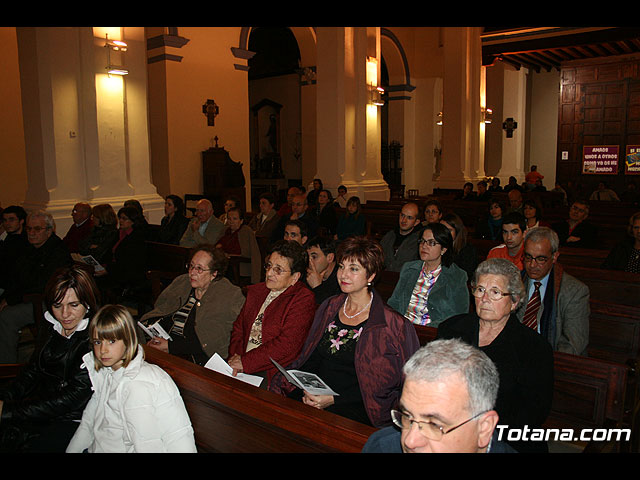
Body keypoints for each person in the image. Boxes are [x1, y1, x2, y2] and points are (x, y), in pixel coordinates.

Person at [270, 236, 420, 427]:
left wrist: (333, 399)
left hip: (360, 404)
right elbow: (313, 356)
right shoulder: (330, 306)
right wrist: (305, 387)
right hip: (319, 393)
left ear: (371, 276)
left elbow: (385, 384)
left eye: (354, 269)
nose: (343, 275)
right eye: (341, 266)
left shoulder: (392, 324)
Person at [437, 258, 554, 453]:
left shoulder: (534, 347)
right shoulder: (450, 329)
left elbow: (532, 414)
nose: (484, 299)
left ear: (514, 301)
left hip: (504, 440)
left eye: (495, 293)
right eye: (480, 290)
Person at [66, 304, 197, 453]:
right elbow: (89, 423)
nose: (103, 350)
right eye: (97, 342)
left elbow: (161, 438)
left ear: (128, 340)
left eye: (112, 341)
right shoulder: (106, 373)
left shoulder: (142, 382)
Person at [0, 264, 99, 452]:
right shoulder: (52, 324)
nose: (65, 314)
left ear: (87, 303)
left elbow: (72, 398)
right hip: (43, 405)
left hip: (74, 417)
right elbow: (33, 369)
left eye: (74, 305)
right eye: (57, 305)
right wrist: (6, 397)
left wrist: (9, 411)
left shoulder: (96, 337)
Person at [362, 338, 515, 453]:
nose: (410, 441)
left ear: (484, 428)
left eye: (434, 425)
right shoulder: (381, 447)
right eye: (407, 417)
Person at [227, 240, 317, 388]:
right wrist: (235, 357)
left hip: (271, 371)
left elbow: (287, 345)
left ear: (295, 277)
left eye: (278, 270)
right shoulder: (258, 291)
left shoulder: (302, 299)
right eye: (269, 266)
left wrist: (246, 362)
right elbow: (239, 328)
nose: (269, 273)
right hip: (241, 363)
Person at [141, 245, 245, 365]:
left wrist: (170, 347)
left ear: (214, 273)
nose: (192, 272)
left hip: (194, 359)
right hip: (164, 345)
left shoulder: (229, 295)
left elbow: (213, 340)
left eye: (199, 269)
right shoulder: (182, 282)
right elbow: (160, 309)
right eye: (191, 266)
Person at [0, 210, 73, 364]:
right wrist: (7, 297)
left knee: (7, 317)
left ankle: (7, 366)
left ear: (49, 230)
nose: (32, 233)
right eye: (29, 229)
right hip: (28, 296)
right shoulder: (29, 248)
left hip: (48, 302)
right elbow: (18, 277)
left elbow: (44, 285)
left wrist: (13, 299)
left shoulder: (57, 250)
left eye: (37, 229)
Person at [517, 227, 590, 355]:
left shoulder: (575, 291)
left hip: (552, 360)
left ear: (555, 257)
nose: (532, 265)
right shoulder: (515, 282)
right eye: (528, 257)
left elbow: (572, 345)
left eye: (540, 259)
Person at [388, 223, 469, 327]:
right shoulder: (409, 269)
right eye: (422, 241)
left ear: (443, 249)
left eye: (431, 243)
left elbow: (459, 315)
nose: (424, 246)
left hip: (434, 334)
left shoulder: (457, 276)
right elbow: (394, 303)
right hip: (403, 328)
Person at [97, 206, 148, 302]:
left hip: (128, 272)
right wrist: (102, 265)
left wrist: (108, 269)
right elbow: (109, 252)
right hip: (116, 268)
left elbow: (129, 262)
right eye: (120, 218)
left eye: (124, 219)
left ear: (133, 221)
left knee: (101, 282)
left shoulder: (136, 237)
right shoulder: (119, 233)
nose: (120, 221)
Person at [215, 207, 261, 284]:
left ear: (241, 221)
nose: (231, 222)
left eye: (235, 219)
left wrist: (255, 280)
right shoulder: (225, 230)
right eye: (229, 219)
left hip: (240, 268)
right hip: (223, 265)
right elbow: (216, 246)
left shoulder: (246, 231)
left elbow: (255, 254)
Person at [380, 202, 422, 272]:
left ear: (416, 222)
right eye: (402, 215)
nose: (404, 220)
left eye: (409, 217)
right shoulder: (390, 236)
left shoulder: (419, 240)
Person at [0, 206, 29, 295]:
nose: (7, 223)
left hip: (11, 287)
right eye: (5, 220)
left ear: (21, 221)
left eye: (11, 219)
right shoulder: (8, 238)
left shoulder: (26, 241)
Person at [441, 212, 477, 281]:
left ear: (457, 231)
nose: (445, 233)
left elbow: (466, 275)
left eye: (449, 230)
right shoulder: (437, 247)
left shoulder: (468, 250)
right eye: (442, 229)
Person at [305, 236, 340, 305]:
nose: (309, 261)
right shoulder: (307, 275)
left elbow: (331, 311)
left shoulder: (342, 279)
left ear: (330, 258)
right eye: (308, 257)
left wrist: (317, 287)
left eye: (314, 257)